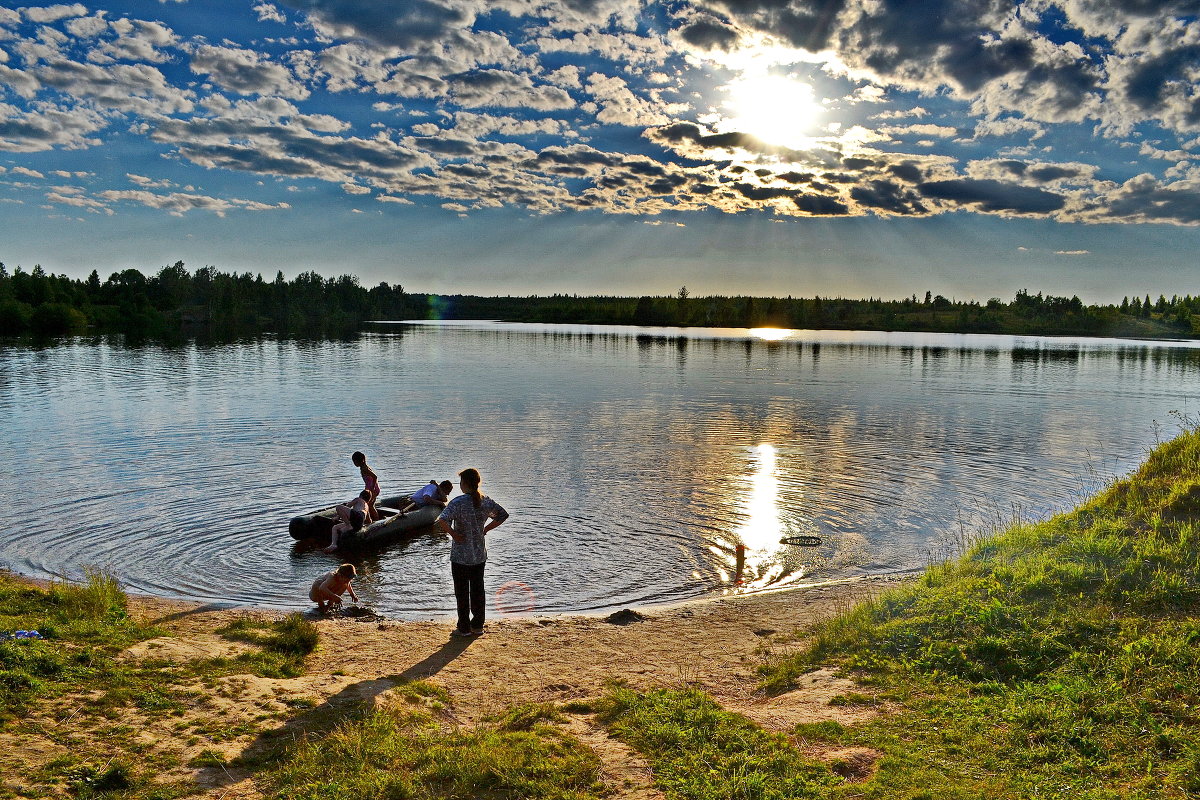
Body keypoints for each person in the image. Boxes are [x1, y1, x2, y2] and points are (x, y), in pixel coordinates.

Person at [435, 468, 508, 637]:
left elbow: (442, 520)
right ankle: (478, 625)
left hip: (461, 555)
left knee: (461, 592)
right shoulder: (485, 501)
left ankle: (464, 628)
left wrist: (454, 535)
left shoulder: (457, 502)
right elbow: (502, 515)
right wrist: (486, 529)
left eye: (460, 482)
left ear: (465, 484)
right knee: (478, 590)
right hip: (478, 554)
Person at [352, 451, 381, 521]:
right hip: (370, 489)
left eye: (355, 462)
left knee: (367, 506)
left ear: (360, 461)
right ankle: (373, 520)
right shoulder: (363, 467)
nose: (354, 464)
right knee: (370, 506)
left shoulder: (365, 468)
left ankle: (371, 521)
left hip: (372, 489)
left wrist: (372, 489)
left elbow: (375, 477)